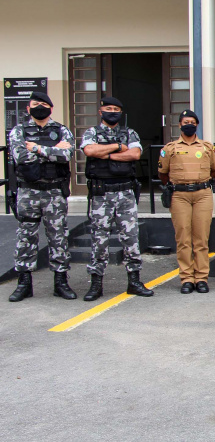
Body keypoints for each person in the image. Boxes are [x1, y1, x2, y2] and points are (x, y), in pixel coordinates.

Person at [81, 96, 153, 301]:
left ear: (121, 113)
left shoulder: (129, 133)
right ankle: (96, 284)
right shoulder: (92, 133)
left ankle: (134, 281)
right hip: (101, 193)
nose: (112, 111)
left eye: (116, 109)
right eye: (108, 108)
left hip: (125, 193)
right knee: (99, 239)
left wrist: (106, 153)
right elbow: (89, 150)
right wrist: (118, 147)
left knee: (131, 239)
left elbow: (135, 155)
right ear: (100, 111)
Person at [7, 92, 76, 302]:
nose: (39, 107)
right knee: (26, 237)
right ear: (28, 109)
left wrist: (37, 148)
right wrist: (52, 151)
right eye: (35, 104)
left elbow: (67, 155)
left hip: (55, 192)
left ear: (51, 108)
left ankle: (61, 282)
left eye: (44, 104)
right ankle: (24, 283)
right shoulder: (19, 131)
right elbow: (21, 157)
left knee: (59, 237)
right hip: (28, 191)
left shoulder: (61, 129)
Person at [158, 110, 215, 294]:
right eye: (185, 122)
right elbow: (162, 173)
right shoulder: (170, 148)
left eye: (192, 122)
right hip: (179, 196)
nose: (189, 124)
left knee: (201, 239)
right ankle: (186, 278)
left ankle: (201, 278)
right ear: (179, 125)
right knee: (183, 239)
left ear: (197, 125)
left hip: (202, 194)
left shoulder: (207, 147)